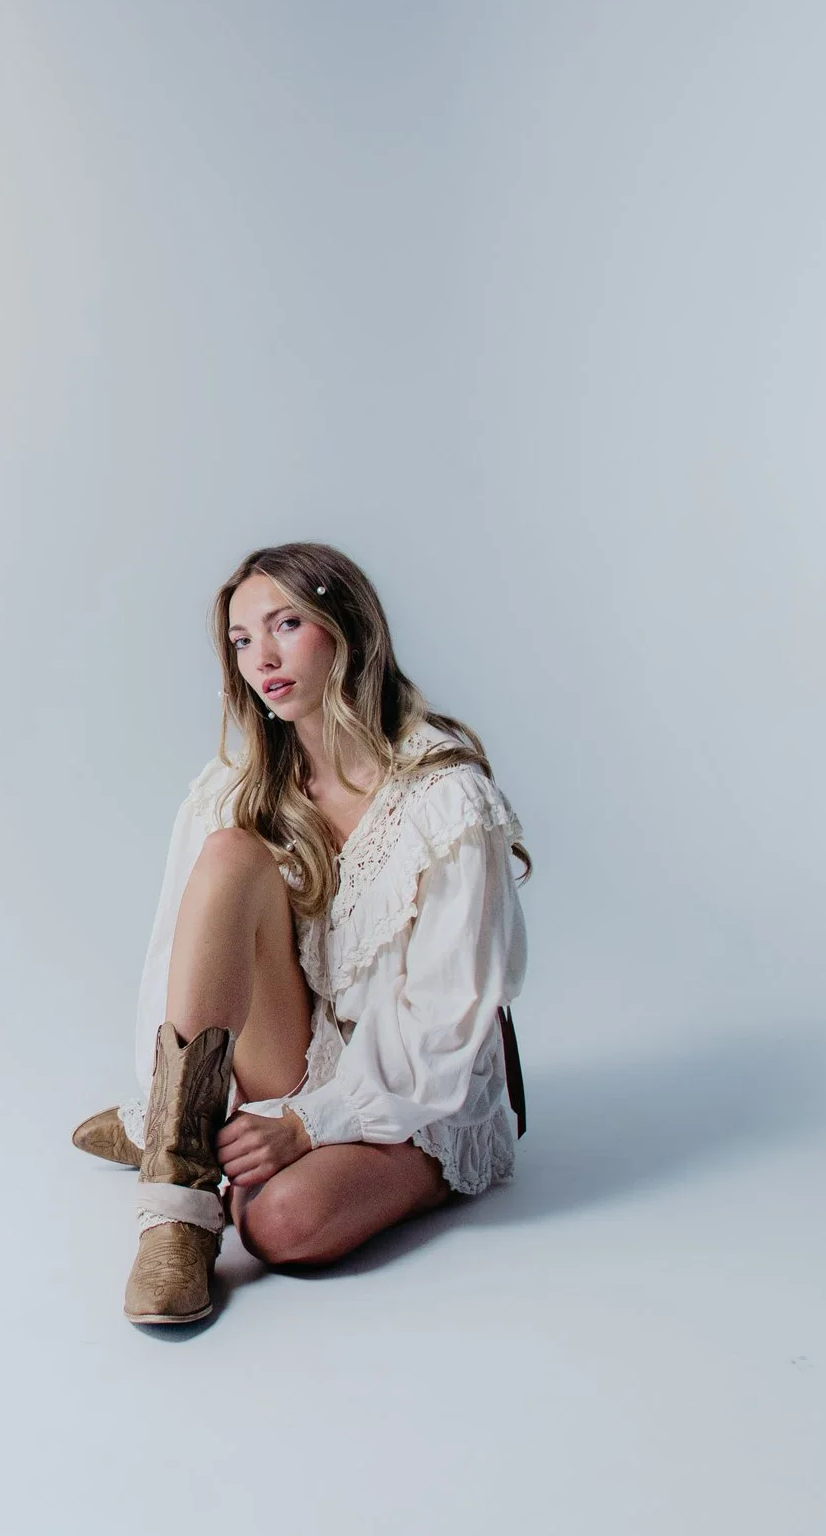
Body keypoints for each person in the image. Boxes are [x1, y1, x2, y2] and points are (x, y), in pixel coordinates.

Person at [71, 542, 533, 1326]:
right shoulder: (240, 790)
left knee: (277, 1224)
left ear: (347, 626)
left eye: (287, 624)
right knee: (228, 855)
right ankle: (176, 1188)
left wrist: (306, 1124)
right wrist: (179, 1104)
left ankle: (201, 1126)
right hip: (296, 1055)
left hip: (419, 1090)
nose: (263, 658)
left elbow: (447, 1018)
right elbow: (172, 962)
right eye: (242, 640)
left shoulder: (446, 799)